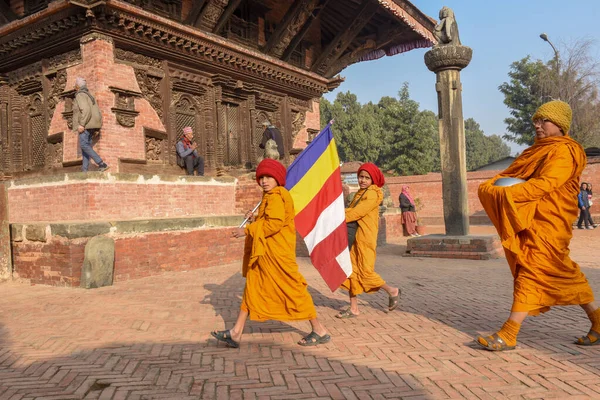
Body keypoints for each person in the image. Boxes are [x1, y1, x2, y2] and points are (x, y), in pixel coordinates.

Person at [476, 100, 600, 351]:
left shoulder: (565, 151)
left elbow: (546, 184)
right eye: (536, 120)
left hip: (551, 224)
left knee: (531, 269)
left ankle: (509, 333)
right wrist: (490, 188)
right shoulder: (534, 151)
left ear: (560, 124)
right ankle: (598, 321)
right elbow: (512, 176)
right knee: (564, 273)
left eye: (543, 120)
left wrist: (507, 195)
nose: (537, 125)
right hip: (533, 221)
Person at [211, 159, 330, 347]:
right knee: (253, 287)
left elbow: (273, 224)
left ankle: (319, 329)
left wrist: (247, 230)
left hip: (278, 255)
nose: (264, 181)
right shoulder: (270, 196)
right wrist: (255, 218)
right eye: (261, 177)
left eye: (268, 177)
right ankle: (236, 332)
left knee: (294, 291)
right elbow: (268, 220)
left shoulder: (277, 196)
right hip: (267, 253)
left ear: (278, 178)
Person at [336, 162, 401, 318]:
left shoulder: (372, 194)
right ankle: (353, 308)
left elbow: (357, 212)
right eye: (361, 177)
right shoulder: (360, 193)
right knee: (350, 271)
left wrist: (336, 215)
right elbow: (352, 211)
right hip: (354, 237)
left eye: (366, 177)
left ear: (373, 179)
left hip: (365, 238)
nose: (363, 180)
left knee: (365, 272)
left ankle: (392, 290)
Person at [72, 77, 109, 172]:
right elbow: (97, 111)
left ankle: (101, 163)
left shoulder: (80, 95)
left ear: (77, 86)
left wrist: (81, 124)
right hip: (93, 125)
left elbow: (86, 110)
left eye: (75, 85)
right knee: (86, 146)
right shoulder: (89, 95)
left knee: (84, 145)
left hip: (86, 125)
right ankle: (84, 170)